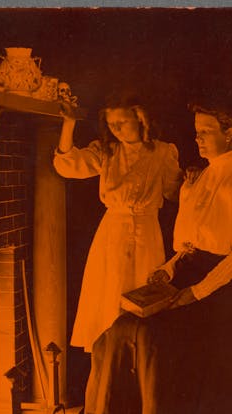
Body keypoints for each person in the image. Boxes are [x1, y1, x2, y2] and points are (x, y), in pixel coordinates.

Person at [84, 102, 232, 414]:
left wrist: (195, 292)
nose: (197, 138)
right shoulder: (196, 178)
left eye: (206, 131)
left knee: (152, 338)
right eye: (196, 131)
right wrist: (167, 270)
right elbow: (186, 243)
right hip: (186, 272)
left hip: (222, 288)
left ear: (229, 133)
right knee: (119, 329)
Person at [53, 92, 183, 354]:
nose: (116, 129)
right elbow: (67, 166)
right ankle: (108, 366)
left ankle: (139, 368)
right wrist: (69, 124)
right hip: (111, 234)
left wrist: (190, 179)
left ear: (141, 119)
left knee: (143, 298)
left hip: (147, 234)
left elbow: (175, 193)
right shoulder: (106, 151)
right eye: (111, 124)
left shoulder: (163, 151)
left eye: (122, 123)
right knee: (109, 296)